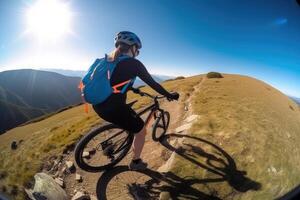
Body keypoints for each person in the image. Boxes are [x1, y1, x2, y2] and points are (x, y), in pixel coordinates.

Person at [92, 31, 179, 170]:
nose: (137, 53)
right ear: (132, 47)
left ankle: (117, 139)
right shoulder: (134, 64)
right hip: (114, 108)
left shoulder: (108, 60)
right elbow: (153, 84)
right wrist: (169, 94)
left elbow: (115, 82)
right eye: (137, 50)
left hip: (97, 104)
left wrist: (133, 89)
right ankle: (136, 162)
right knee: (141, 131)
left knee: (128, 121)